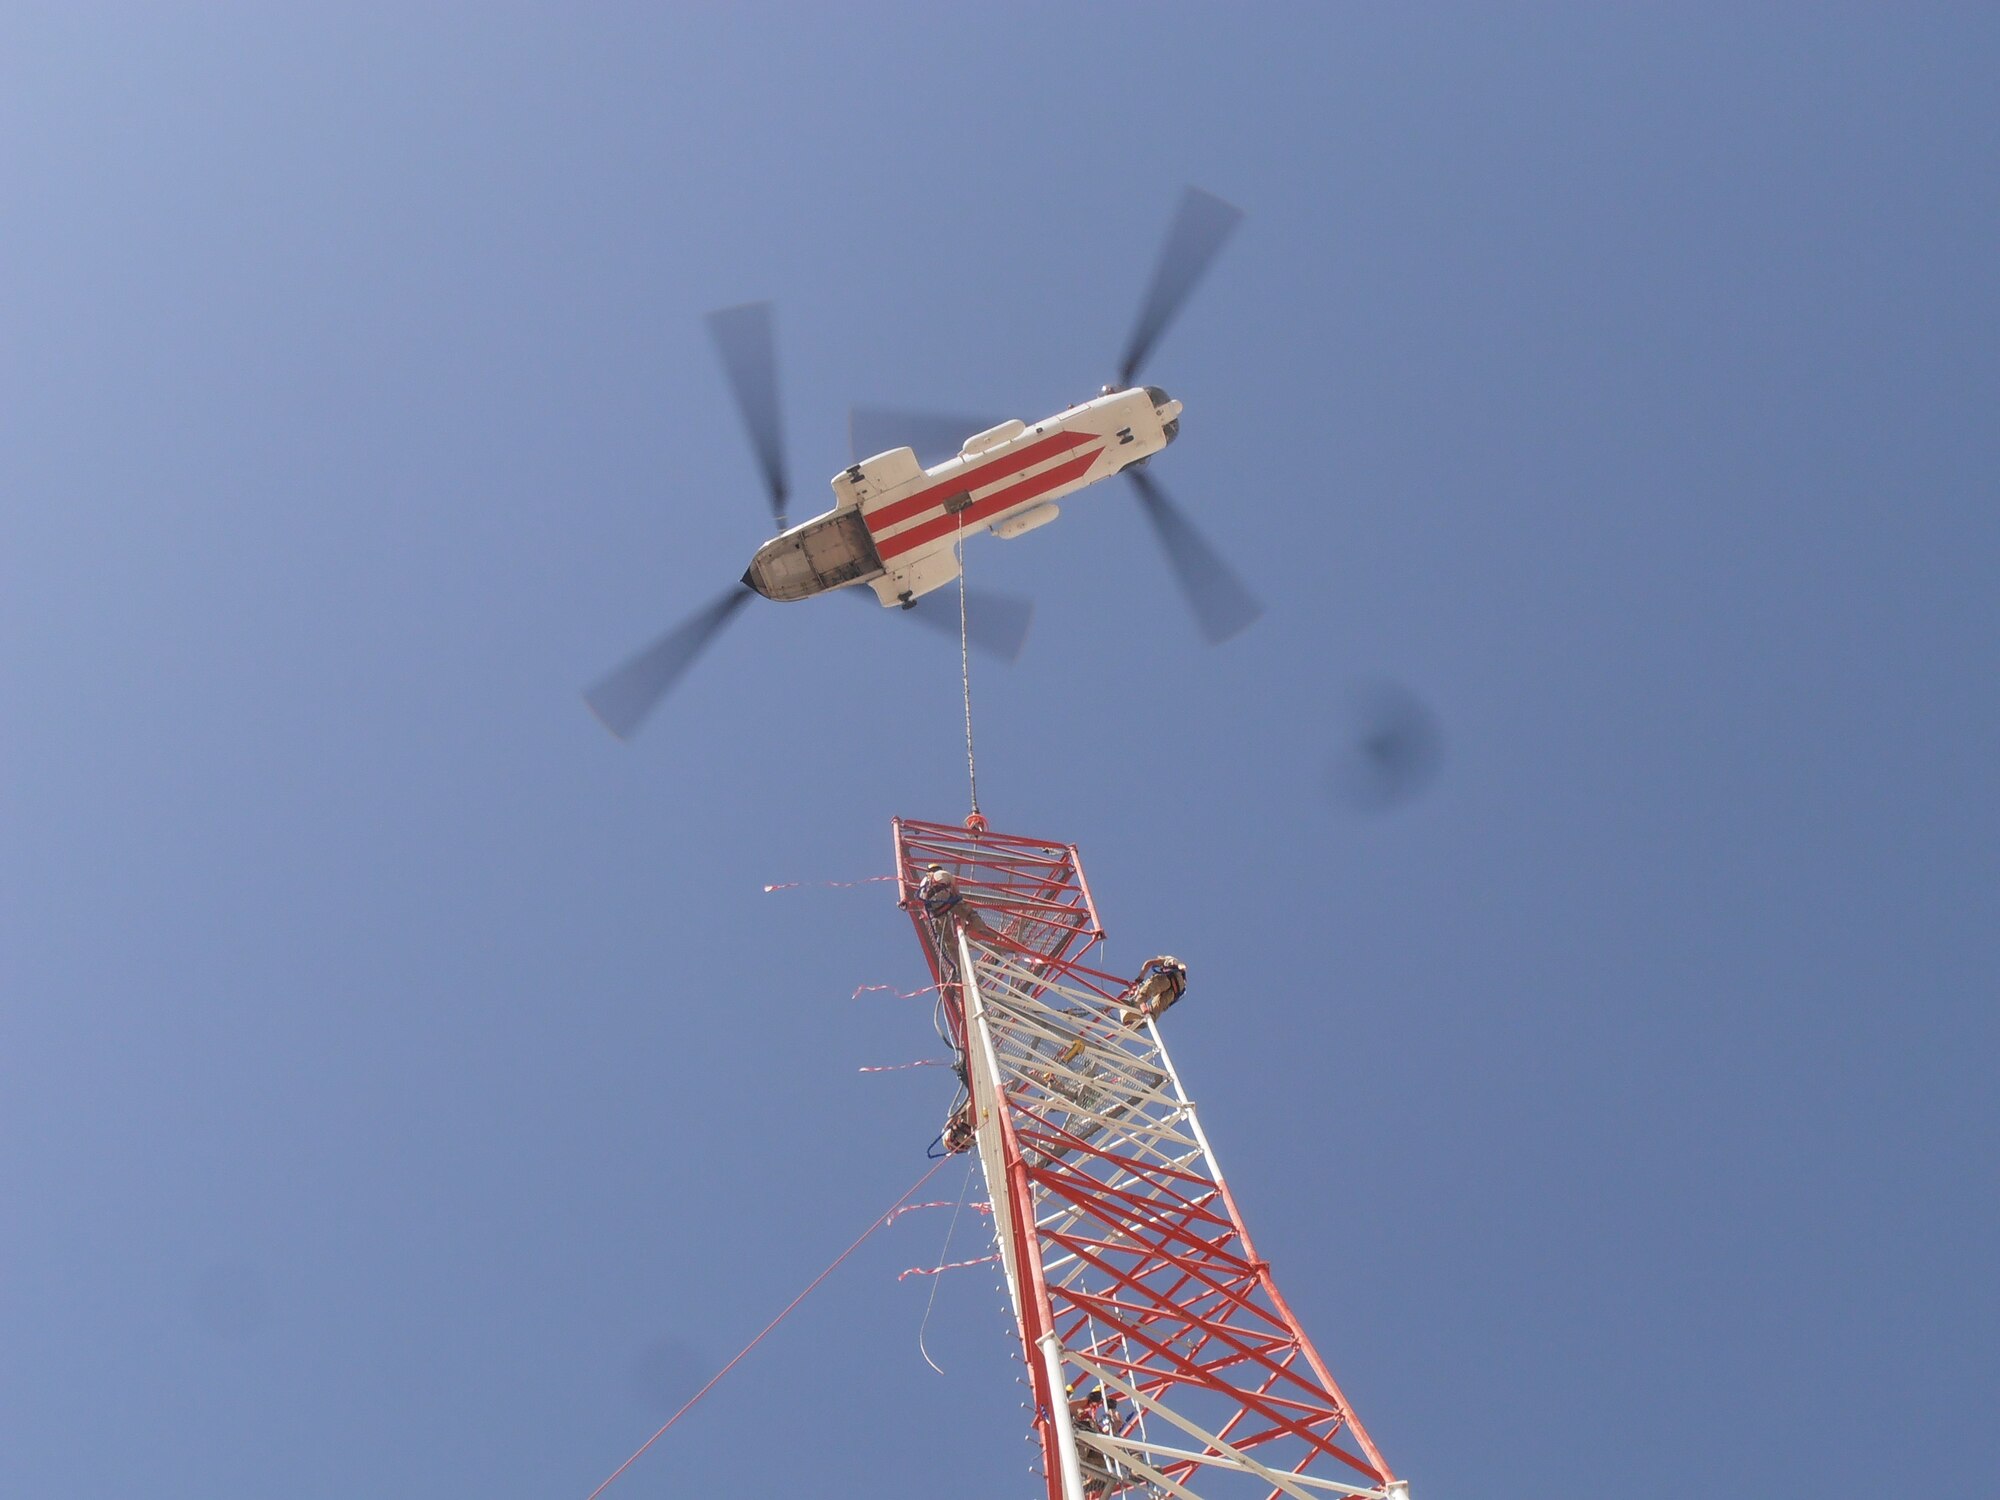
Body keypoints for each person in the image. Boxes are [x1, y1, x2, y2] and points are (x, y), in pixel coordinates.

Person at [1119, 955, 1188, 1026]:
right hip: (1175, 991)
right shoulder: (1182, 975)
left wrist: (1139, 979)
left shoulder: (1169, 960)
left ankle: (1132, 1008)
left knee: (1144, 994)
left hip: (1166, 978)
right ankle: (1145, 1021)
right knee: (1155, 1010)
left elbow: (1148, 963)